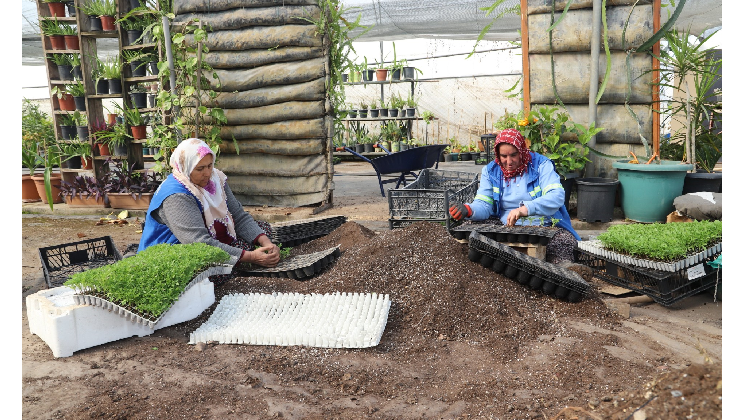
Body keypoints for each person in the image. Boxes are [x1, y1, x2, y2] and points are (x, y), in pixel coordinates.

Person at [448, 128, 586, 268]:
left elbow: (556, 196)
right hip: (505, 226)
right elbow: (484, 204)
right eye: (503, 156)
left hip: (543, 226)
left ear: (522, 150)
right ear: (498, 154)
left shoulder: (541, 165)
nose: (509, 162)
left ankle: (565, 270)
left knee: (564, 240)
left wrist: (525, 209)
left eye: (514, 155)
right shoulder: (491, 171)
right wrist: (468, 210)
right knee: (468, 229)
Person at [138, 138, 280, 270]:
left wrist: (266, 243)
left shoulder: (216, 179)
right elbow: (199, 244)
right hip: (176, 250)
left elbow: (238, 216)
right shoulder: (176, 195)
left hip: (206, 239)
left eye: (210, 165)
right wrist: (251, 257)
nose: (207, 173)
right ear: (185, 167)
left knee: (262, 230)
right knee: (209, 270)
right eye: (200, 169)